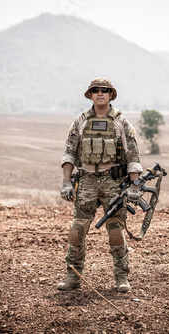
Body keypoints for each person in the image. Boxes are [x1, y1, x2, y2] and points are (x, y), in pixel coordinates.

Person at [58, 77, 143, 293]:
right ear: (90, 95)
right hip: (85, 181)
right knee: (77, 231)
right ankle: (73, 277)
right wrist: (66, 182)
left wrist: (134, 185)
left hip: (113, 182)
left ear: (111, 94)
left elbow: (133, 155)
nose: (100, 93)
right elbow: (69, 153)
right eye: (95, 90)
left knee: (115, 231)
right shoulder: (80, 121)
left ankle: (122, 277)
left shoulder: (121, 122)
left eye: (105, 90)